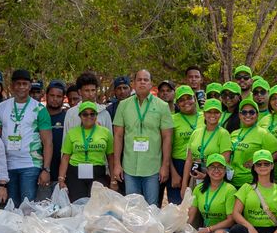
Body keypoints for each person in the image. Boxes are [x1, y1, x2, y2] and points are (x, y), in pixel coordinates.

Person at [110, 69, 173, 205]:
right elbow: (118, 136)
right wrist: (117, 164)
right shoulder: (123, 105)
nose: (142, 82)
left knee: (152, 207)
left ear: (151, 84)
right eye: (139, 80)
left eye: (146, 80)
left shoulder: (162, 106)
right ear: (133, 83)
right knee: (132, 207)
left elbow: (167, 138)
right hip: (129, 167)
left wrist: (165, 166)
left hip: (153, 167)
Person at [0, 69, 52, 206]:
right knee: (11, 208)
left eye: (25, 84)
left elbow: (48, 142)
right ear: (12, 86)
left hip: (30, 165)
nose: (21, 87)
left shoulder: (39, 109)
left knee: (27, 208)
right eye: (18, 83)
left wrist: (46, 169)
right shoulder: (2, 107)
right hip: (7, 165)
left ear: (30, 86)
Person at [57, 101, 112, 201]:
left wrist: (113, 180)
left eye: (92, 114)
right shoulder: (72, 133)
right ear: (80, 116)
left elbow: (110, 157)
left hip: (98, 172)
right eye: (85, 114)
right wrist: (61, 179)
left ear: (96, 116)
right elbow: (65, 158)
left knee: (97, 204)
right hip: (75, 172)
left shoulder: (105, 132)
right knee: (79, 203)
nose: (89, 117)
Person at [228, 98, 277, 188]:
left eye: (251, 112)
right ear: (239, 115)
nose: (248, 115)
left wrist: (257, 162)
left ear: (257, 115)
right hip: (231, 180)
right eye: (244, 112)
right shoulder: (234, 133)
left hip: (250, 182)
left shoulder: (263, 133)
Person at [189, 156, 240, 233]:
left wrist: (209, 229)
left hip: (223, 230)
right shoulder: (199, 189)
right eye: (212, 167)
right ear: (207, 170)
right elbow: (191, 213)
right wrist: (184, 228)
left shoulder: (230, 190)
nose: (216, 170)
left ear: (225, 170)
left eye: (220, 167)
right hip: (205, 229)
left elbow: (231, 220)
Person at [183, 101, 233, 189]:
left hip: (215, 180)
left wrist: (205, 176)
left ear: (220, 114)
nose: (212, 115)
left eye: (216, 112)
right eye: (209, 112)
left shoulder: (224, 134)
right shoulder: (196, 133)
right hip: (195, 178)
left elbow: (224, 162)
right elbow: (189, 161)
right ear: (204, 114)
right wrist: (184, 184)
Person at [167, 85, 201, 204]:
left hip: (199, 164)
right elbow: (166, 148)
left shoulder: (204, 117)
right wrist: (173, 173)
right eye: (181, 100)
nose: (186, 102)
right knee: (177, 206)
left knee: (196, 205)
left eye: (189, 98)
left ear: (194, 98)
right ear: (177, 104)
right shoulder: (172, 119)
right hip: (178, 165)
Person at [39, 80, 68, 200]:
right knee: (41, 207)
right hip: (41, 173)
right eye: (52, 95)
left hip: (62, 175)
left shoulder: (67, 117)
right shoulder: (39, 115)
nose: (55, 99)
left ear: (63, 98)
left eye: (58, 96)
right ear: (46, 95)